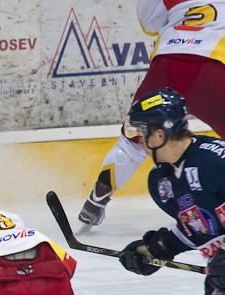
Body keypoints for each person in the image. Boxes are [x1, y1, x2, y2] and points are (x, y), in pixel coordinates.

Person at [117, 87, 225, 295]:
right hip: (221, 277)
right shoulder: (161, 182)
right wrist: (156, 249)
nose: (139, 139)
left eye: (142, 131)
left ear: (160, 133)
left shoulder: (215, 159)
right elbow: (200, 227)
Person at [78, 0, 225, 229]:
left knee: (133, 140)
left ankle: (95, 202)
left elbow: (149, 23)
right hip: (213, 67)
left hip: (167, 62)